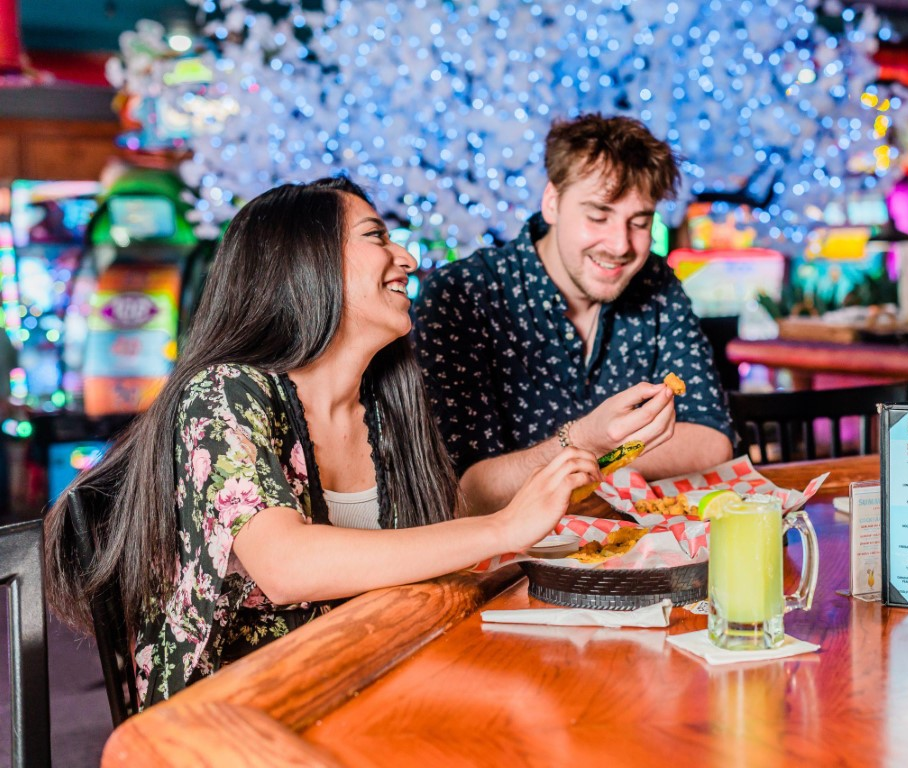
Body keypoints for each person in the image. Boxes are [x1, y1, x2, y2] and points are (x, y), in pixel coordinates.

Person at [42, 177, 600, 709]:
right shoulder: (223, 392)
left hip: (371, 675)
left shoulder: (386, 404)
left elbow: (443, 517)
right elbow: (285, 565)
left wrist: (580, 446)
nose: (407, 259)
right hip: (237, 716)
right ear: (305, 260)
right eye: (377, 237)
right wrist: (504, 528)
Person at [413, 114, 734, 516]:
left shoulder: (655, 281)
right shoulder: (463, 294)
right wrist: (584, 440)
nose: (620, 245)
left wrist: (594, 457)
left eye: (639, 222)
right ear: (552, 202)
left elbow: (712, 440)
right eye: (598, 216)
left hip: (637, 550)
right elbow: (464, 492)